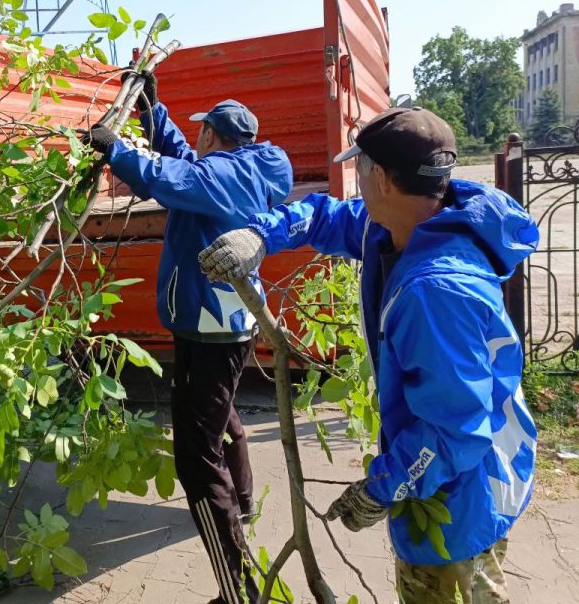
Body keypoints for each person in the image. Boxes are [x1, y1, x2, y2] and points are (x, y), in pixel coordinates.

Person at [198, 107, 540, 604]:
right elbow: (322, 215)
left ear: (379, 176)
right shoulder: (409, 225)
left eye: (360, 167)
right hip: (471, 470)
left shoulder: (435, 291)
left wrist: (382, 488)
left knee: (456, 588)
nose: (355, 179)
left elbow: (453, 429)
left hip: (459, 495)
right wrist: (260, 235)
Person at [82, 73, 293, 604]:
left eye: (201, 132)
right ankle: (242, 500)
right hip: (226, 322)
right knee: (220, 415)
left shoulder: (221, 178)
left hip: (209, 325)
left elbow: (165, 178)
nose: (194, 138)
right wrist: (154, 111)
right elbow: (180, 160)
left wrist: (117, 152)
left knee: (196, 458)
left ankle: (239, 589)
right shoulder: (239, 170)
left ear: (214, 137)